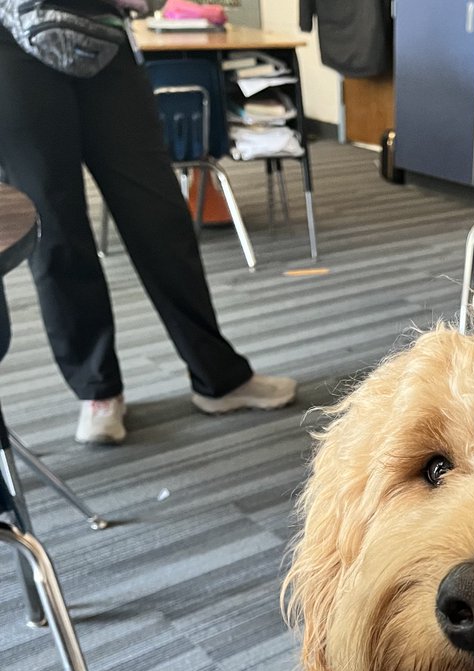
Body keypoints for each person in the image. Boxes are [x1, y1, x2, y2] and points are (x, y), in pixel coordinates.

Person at [0, 9, 296, 445]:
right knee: (56, 233)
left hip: (104, 40)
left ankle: (219, 376)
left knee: (161, 219)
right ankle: (98, 390)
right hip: (14, 45)